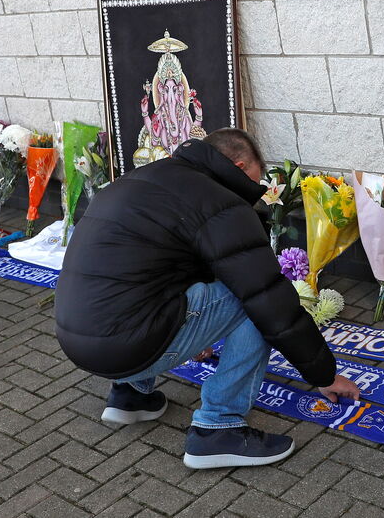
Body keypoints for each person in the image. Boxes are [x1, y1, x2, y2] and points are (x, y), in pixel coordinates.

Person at [54, 128, 360, 469]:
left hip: (78, 339)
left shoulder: (144, 178)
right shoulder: (219, 200)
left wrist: (193, 328)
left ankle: (130, 394)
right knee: (256, 304)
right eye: (255, 183)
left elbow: (165, 266)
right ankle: (218, 428)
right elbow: (270, 300)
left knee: (134, 289)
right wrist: (324, 375)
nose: (254, 194)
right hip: (129, 343)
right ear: (240, 166)